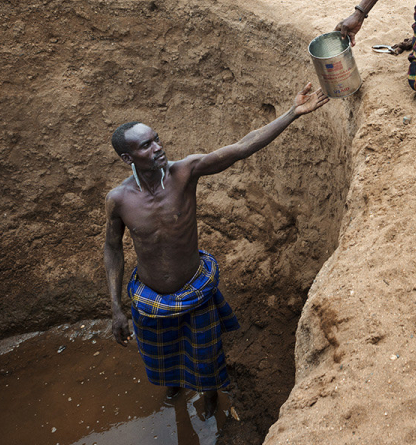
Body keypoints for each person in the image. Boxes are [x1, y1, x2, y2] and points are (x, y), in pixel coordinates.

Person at [103, 83, 329, 421]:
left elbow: (241, 147)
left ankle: (210, 403)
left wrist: (292, 113)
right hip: (150, 298)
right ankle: (174, 391)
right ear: (127, 157)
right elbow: (112, 248)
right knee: (162, 358)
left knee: (205, 357)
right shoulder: (119, 199)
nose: (158, 148)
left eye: (157, 139)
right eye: (146, 145)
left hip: (195, 289)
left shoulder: (185, 172)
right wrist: (116, 308)